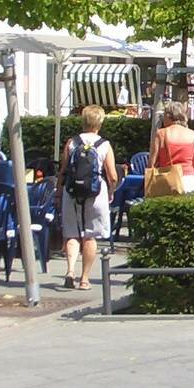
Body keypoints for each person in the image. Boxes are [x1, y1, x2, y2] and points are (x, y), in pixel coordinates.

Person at [58, 104, 116, 291]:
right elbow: (113, 175)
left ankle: (70, 271)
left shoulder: (72, 142)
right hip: (95, 192)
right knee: (90, 236)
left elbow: (63, 170)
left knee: (72, 233)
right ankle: (84, 279)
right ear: (100, 123)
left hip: (72, 192)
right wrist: (111, 191)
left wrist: (59, 192)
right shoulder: (104, 145)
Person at [148, 102, 194, 193]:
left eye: (164, 115)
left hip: (168, 180)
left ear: (169, 116)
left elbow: (151, 164)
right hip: (190, 181)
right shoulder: (193, 135)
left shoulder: (161, 134)